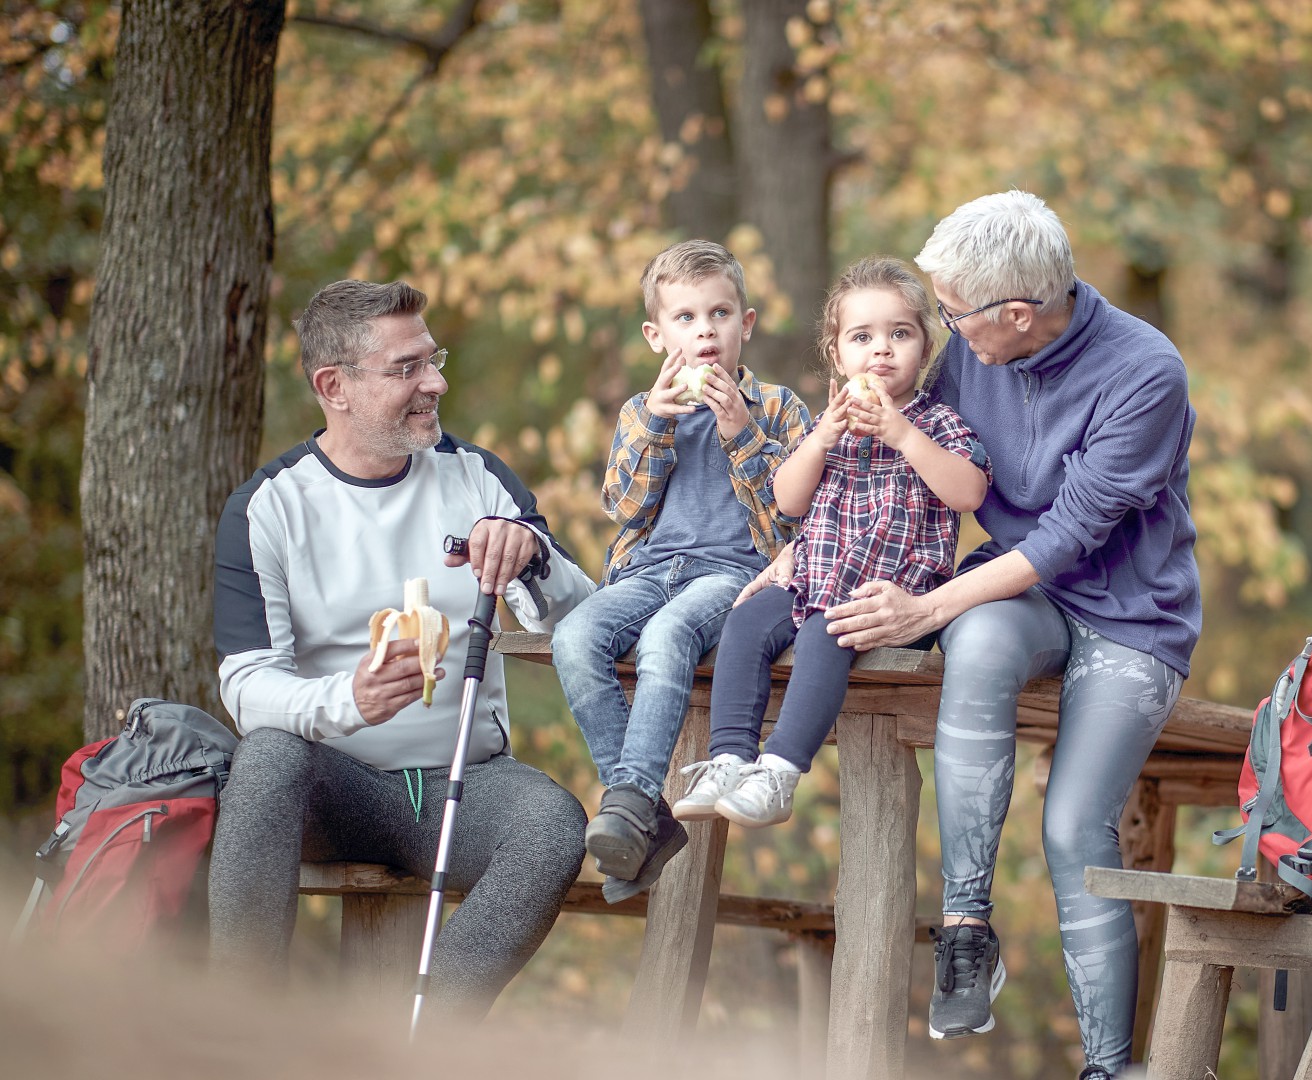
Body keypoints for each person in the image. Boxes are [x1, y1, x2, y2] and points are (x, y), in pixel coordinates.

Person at [820, 193, 1201, 1079]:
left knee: (1073, 827)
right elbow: (920, 476)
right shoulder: (976, 352)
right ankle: (965, 930)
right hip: (1020, 594)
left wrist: (927, 610)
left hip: (1130, 616)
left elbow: (1066, 539)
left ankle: (1109, 1065)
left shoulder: (1146, 372)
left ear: (1018, 315)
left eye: (953, 317)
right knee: (982, 642)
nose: (946, 334)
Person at [210, 279, 597, 1020]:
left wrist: (534, 558)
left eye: (434, 358)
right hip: (335, 787)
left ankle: (419, 1045)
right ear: (335, 387)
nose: (437, 382)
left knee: (551, 825)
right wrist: (343, 701)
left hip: (467, 784)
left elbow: (579, 619)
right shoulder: (270, 505)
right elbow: (246, 685)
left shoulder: (476, 475)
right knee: (264, 756)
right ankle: (240, 1035)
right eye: (407, 368)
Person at [673, 256, 989, 828]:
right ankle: (729, 758)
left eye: (901, 334)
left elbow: (968, 491)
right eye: (862, 337)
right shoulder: (830, 422)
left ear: (924, 346)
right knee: (743, 623)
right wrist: (820, 439)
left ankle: (781, 772)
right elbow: (788, 500)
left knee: (826, 632)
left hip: (885, 601)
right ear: (837, 353)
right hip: (812, 580)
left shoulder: (937, 423)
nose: (882, 350)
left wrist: (902, 433)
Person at [549, 240, 809, 902]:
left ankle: (631, 802)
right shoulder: (642, 411)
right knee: (573, 639)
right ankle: (644, 815)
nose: (705, 332)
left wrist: (741, 431)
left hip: (734, 575)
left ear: (745, 324)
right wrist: (658, 429)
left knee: (668, 635)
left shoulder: (778, 408)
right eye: (686, 318)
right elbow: (623, 506)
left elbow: (794, 524)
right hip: (649, 571)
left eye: (720, 314)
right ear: (656, 334)